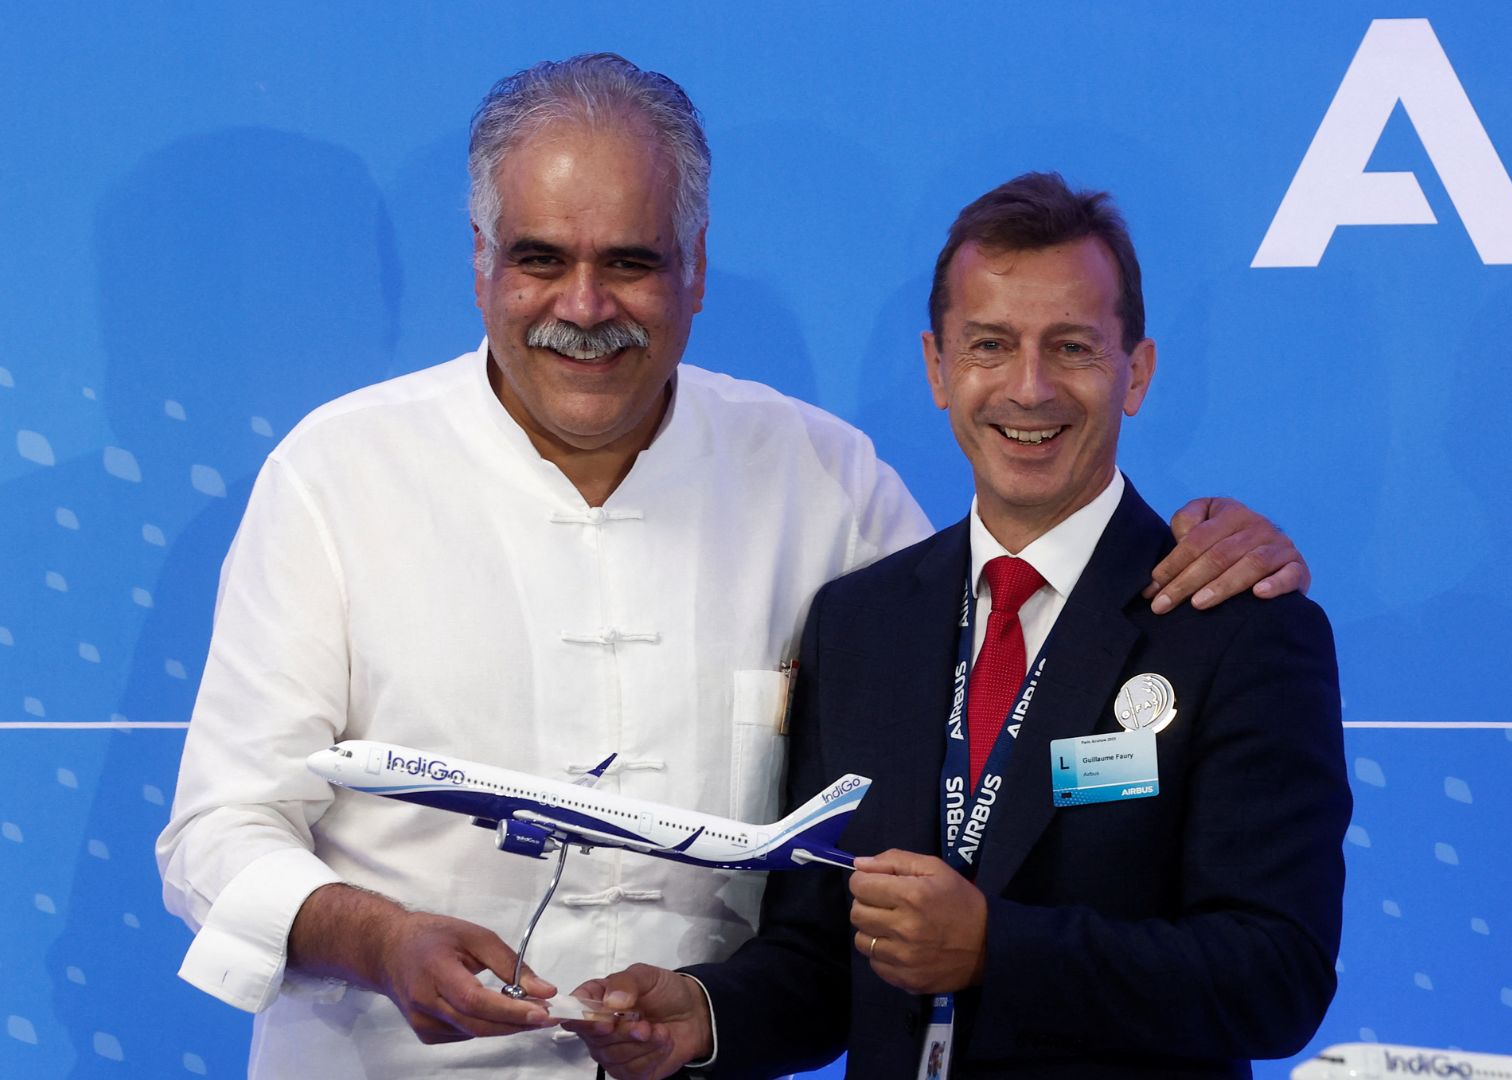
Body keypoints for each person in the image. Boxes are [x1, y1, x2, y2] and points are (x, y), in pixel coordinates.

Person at [154, 56, 1307, 1079]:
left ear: (699, 267)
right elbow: (216, 834)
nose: (585, 307)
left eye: (634, 262)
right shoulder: (335, 475)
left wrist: (1195, 544)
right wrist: (380, 938)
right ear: (479, 263)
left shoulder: (822, 479)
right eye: (541, 259)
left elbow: (1027, 615)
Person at [567, 173, 1350, 1079]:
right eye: (990, 345)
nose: (1028, 388)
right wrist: (703, 1016)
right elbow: (823, 958)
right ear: (938, 368)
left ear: (1135, 371)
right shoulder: (859, 623)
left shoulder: (1238, 629)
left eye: (1072, 348)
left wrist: (995, 949)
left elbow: (1277, 980)